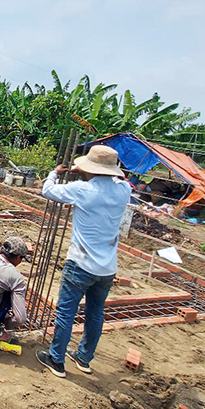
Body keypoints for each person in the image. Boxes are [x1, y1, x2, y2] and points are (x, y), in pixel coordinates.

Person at [36, 145, 132, 378]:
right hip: (107, 268)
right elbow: (118, 182)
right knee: (95, 314)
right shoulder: (124, 190)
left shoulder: (82, 190)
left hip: (80, 264)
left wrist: (55, 173)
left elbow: (48, 190)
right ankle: (84, 358)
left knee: (66, 312)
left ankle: (56, 359)